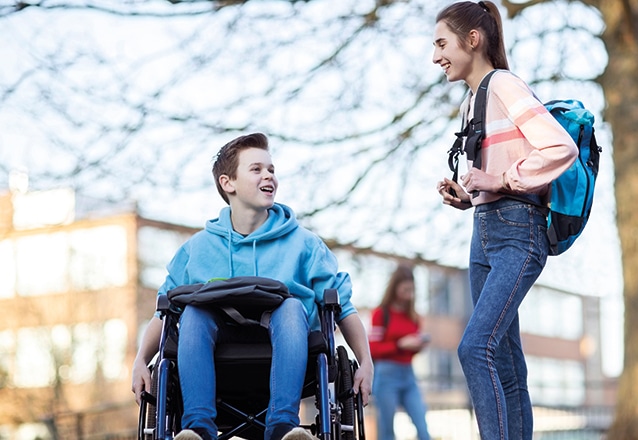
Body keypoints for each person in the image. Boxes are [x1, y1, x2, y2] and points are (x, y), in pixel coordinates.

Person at [130, 133, 374, 440]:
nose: (269, 175)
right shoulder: (197, 249)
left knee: (290, 306)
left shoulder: (304, 244)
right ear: (227, 183)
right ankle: (198, 430)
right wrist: (141, 360)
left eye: (271, 169)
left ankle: (284, 427)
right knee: (192, 312)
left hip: (289, 347)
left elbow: (342, 306)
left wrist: (365, 361)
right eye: (256, 169)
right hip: (216, 356)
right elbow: (164, 310)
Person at [432, 2, 578, 440]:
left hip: (518, 231)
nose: (435, 56)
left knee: (475, 348)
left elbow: (559, 148)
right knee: (508, 367)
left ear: (472, 40)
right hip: (484, 232)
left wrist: (499, 179)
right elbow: (491, 177)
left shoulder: (506, 86)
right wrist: (468, 195)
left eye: (441, 43)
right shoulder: (469, 102)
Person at [368, 265, 431, 440]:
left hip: (408, 375)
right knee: (387, 431)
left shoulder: (414, 316)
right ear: (395, 288)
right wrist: (400, 345)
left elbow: (409, 352)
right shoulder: (381, 314)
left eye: (411, 290)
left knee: (423, 427)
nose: (408, 294)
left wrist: (416, 347)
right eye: (405, 289)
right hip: (386, 375)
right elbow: (373, 348)